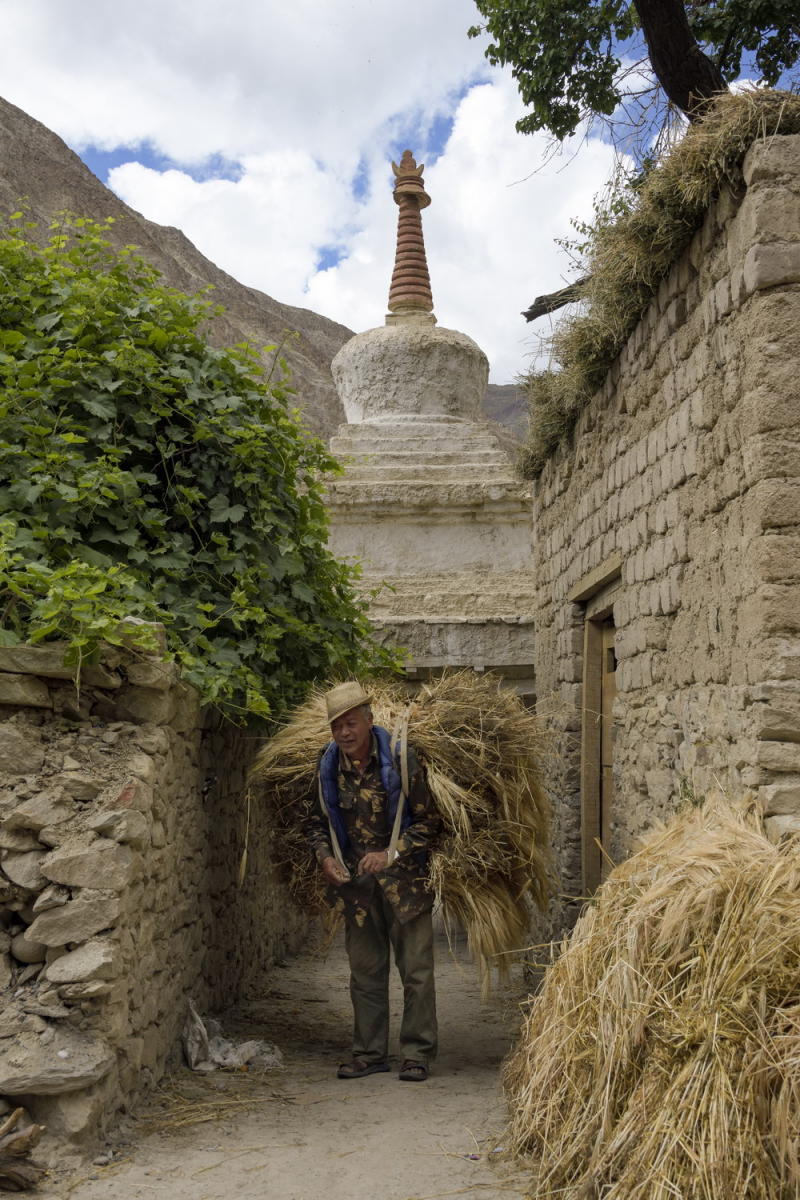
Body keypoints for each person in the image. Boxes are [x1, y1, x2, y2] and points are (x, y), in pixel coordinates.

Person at [304, 681, 440, 1082]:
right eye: (336, 727)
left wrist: (390, 853)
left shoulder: (402, 760)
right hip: (358, 891)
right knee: (365, 972)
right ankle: (369, 1053)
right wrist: (326, 857)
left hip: (407, 887)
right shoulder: (327, 766)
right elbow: (316, 824)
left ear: (368, 719)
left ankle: (416, 1053)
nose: (344, 733)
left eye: (350, 723)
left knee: (416, 971)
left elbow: (430, 824)